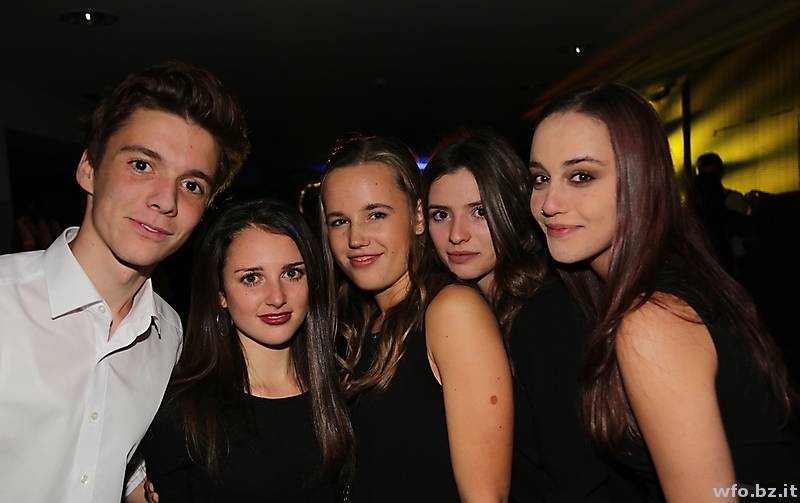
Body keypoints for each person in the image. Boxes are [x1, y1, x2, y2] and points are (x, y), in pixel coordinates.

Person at [528, 83, 799, 501]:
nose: (549, 203)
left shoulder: (654, 318)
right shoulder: (660, 281)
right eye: (540, 178)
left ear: (641, 179)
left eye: (581, 176)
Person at [0, 61, 249, 502]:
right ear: (88, 168)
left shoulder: (170, 335)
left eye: (192, 185)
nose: (166, 200)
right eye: (141, 164)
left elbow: (113, 457)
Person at [422, 131, 642, 501]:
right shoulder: (471, 312)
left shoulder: (544, 313)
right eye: (441, 215)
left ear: (514, 208)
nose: (457, 235)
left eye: (480, 211)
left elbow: (578, 477)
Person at [319, 136, 513, 502]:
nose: (355, 238)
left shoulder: (452, 311)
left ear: (418, 217)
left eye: (376, 215)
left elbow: (485, 497)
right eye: (339, 221)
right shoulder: (356, 326)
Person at [143, 198, 354, 502]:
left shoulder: (346, 389)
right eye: (252, 278)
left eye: (292, 273)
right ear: (220, 293)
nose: (277, 297)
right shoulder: (184, 410)